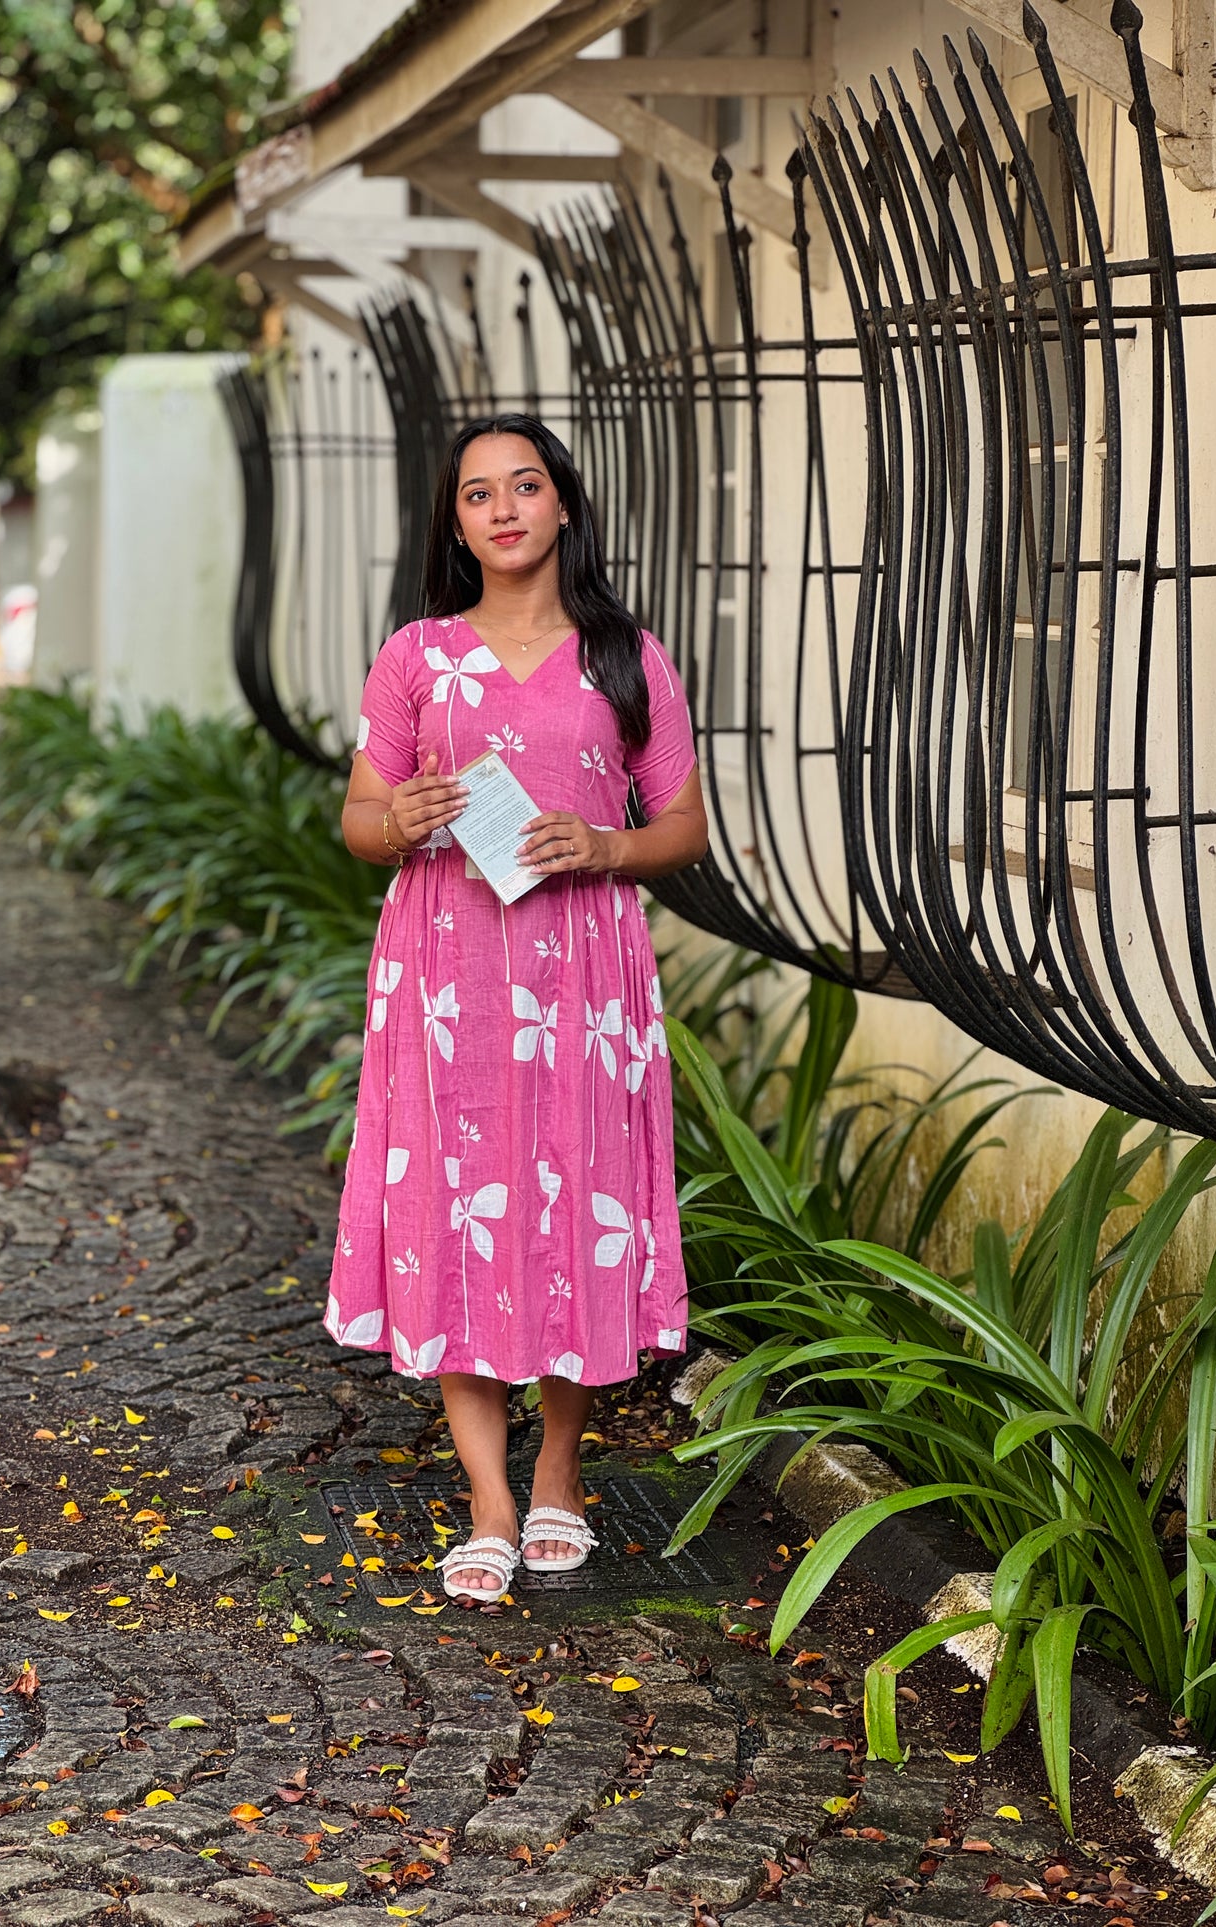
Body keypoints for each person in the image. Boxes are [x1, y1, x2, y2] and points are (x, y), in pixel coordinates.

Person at [329, 414, 709, 1603]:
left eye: (524, 486)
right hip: (444, 977)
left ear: (560, 505)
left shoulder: (624, 657)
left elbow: (684, 830)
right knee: (457, 1206)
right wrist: (403, 819)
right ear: (455, 523)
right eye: (478, 494)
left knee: (572, 1204)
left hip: (580, 974)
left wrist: (601, 843)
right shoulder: (416, 657)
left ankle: (557, 1473)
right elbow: (356, 820)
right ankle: (488, 1499)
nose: (502, 509)